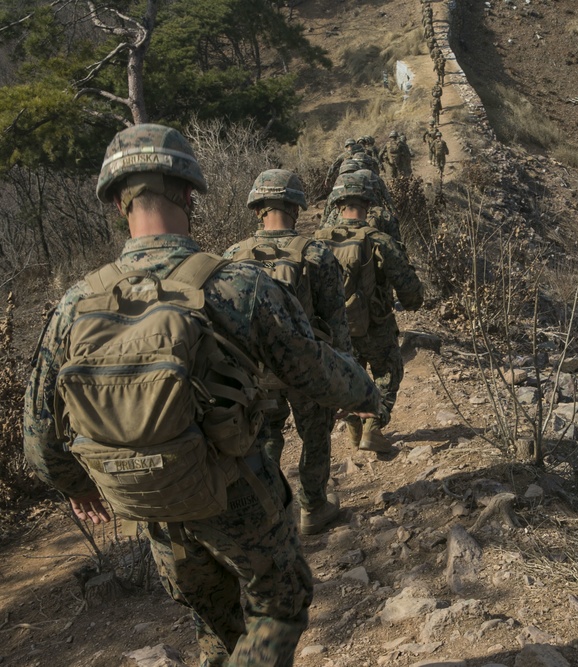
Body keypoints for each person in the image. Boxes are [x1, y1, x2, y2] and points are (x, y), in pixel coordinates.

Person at [23, 124, 382, 667]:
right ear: (188, 193)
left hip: (149, 506)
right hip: (235, 492)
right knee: (279, 607)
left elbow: (39, 437)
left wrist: (77, 485)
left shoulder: (76, 302)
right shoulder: (236, 284)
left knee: (214, 617)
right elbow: (315, 370)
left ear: (120, 203)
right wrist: (367, 394)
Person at [223, 169, 352, 536]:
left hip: (256, 372)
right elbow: (337, 322)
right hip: (307, 370)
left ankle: (269, 511)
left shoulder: (232, 256)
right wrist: (344, 376)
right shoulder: (316, 253)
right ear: (296, 206)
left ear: (258, 209)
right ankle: (313, 506)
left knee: (265, 438)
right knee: (315, 435)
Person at [315, 173, 423, 453]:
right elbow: (411, 292)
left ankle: (353, 427)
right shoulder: (379, 240)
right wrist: (411, 302)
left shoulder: (316, 243)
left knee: (351, 378)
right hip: (376, 325)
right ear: (366, 204)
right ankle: (372, 428)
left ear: (338, 206)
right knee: (388, 374)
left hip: (335, 332)